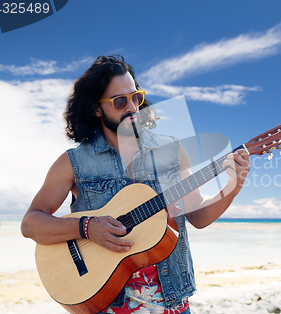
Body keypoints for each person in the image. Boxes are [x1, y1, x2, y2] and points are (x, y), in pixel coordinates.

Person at [21, 55, 250, 314]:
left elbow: (197, 215)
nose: (131, 107)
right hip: (106, 304)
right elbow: (31, 223)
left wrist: (233, 186)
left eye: (136, 98)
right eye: (120, 101)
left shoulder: (172, 150)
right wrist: (87, 227)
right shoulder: (73, 163)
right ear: (96, 108)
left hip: (172, 302)